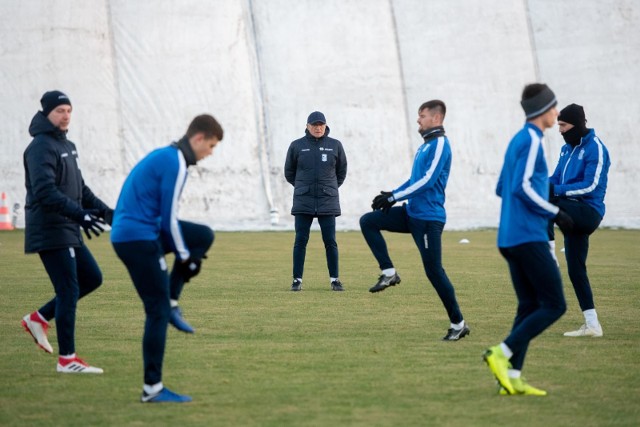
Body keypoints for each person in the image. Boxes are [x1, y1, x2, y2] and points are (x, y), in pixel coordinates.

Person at [111, 114, 222, 403]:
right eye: (210, 146)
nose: (210, 154)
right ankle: (153, 389)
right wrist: (187, 259)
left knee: (203, 235)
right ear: (198, 138)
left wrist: (188, 253)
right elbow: (168, 220)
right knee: (156, 311)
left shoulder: (167, 155)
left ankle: (173, 301)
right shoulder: (176, 162)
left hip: (134, 233)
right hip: (137, 239)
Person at [483, 83, 574, 396]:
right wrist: (555, 213)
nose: (557, 113)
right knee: (555, 305)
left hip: (509, 236)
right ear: (543, 110)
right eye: (554, 107)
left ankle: (512, 377)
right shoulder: (533, 140)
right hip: (528, 236)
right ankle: (502, 353)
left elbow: (502, 188)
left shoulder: (516, 141)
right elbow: (521, 188)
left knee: (529, 305)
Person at [359, 100, 469, 341]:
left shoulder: (440, 144)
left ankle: (458, 323)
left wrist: (395, 197)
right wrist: (391, 196)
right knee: (368, 221)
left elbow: (428, 180)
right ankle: (389, 272)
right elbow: (414, 180)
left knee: (434, 272)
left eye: (422, 116)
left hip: (429, 219)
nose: (418, 120)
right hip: (412, 213)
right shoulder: (425, 146)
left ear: (436, 119)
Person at [21, 90, 113, 374]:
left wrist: (109, 213)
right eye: (60, 110)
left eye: (69, 110)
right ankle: (67, 360)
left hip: (68, 228)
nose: (65, 115)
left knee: (91, 278)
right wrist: (79, 214)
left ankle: (38, 318)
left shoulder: (68, 145)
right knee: (69, 289)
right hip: (50, 230)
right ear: (47, 112)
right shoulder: (39, 148)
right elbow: (45, 192)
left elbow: (80, 191)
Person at [548, 103, 610, 337]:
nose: (560, 130)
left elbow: (590, 185)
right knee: (576, 270)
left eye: (563, 125)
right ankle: (593, 325)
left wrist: (553, 191)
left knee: (545, 200)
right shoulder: (566, 150)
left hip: (587, 213)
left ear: (577, 124)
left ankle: (549, 252)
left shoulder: (596, 148)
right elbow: (554, 178)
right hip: (569, 212)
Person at [284, 111, 348, 292]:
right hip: (303, 201)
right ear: (307, 126)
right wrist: (303, 187)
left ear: (325, 125)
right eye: (314, 125)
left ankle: (335, 280)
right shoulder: (297, 146)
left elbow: (341, 172)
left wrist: (330, 188)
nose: (318, 128)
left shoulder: (335, 145)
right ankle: (297, 280)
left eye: (321, 124)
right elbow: (289, 172)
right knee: (300, 241)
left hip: (328, 201)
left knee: (330, 241)